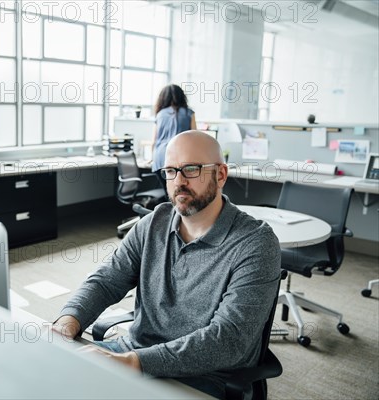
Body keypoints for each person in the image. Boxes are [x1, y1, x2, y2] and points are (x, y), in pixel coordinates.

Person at [54, 131, 281, 398]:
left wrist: (135, 363)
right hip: (134, 354)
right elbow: (107, 280)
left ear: (220, 175)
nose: (179, 181)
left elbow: (228, 340)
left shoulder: (255, 243)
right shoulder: (153, 223)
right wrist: (69, 319)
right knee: (55, 376)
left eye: (191, 169)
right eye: (171, 171)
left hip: (205, 378)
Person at [151, 84, 197, 188]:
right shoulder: (189, 113)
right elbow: (195, 138)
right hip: (179, 158)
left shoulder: (160, 115)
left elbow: (154, 141)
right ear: (182, 97)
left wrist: (152, 158)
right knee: (178, 190)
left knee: (168, 191)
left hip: (159, 158)